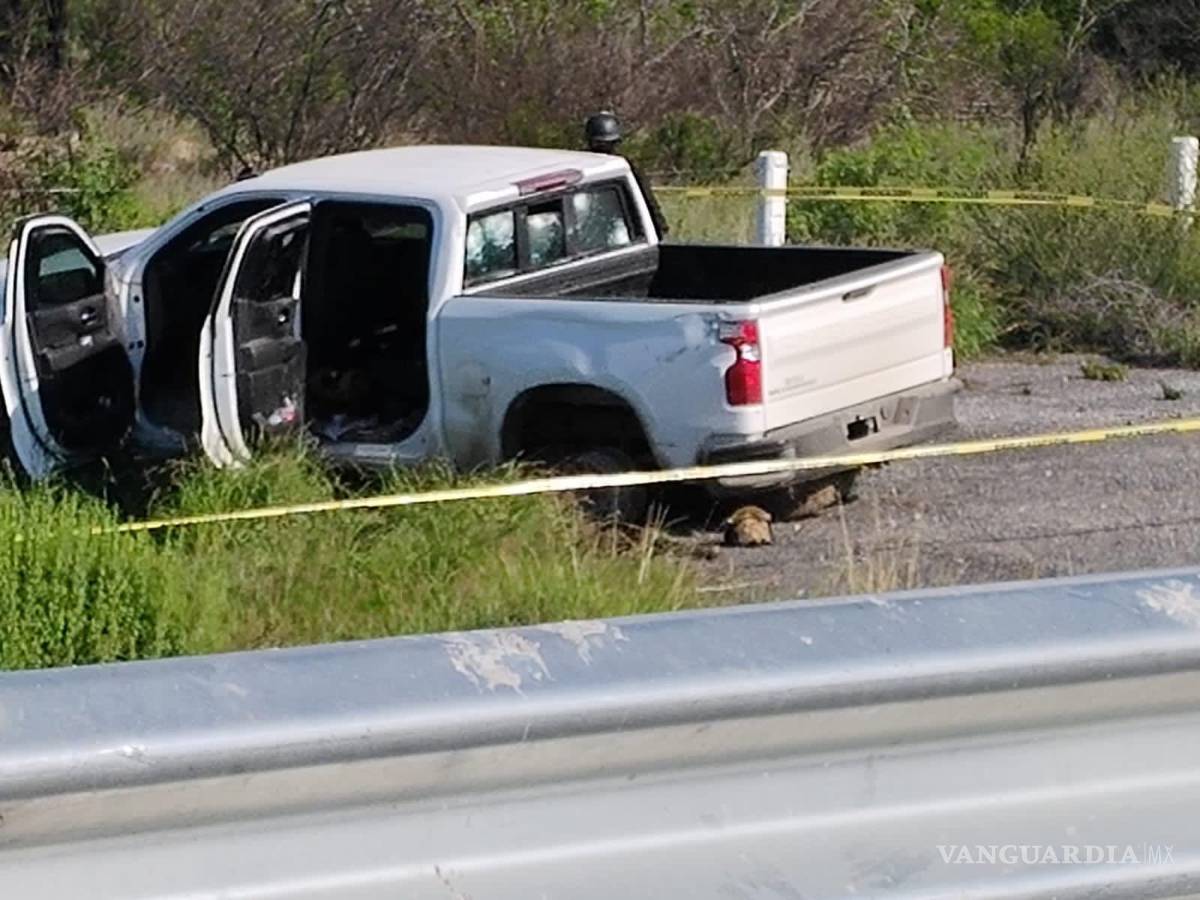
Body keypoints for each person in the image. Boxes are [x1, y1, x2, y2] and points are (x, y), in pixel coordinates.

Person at [584, 112, 669, 240]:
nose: (604, 149)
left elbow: (645, 199)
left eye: (608, 145)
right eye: (600, 144)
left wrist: (659, 227)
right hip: (588, 226)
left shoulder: (624, 167)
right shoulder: (582, 165)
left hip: (619, 224)